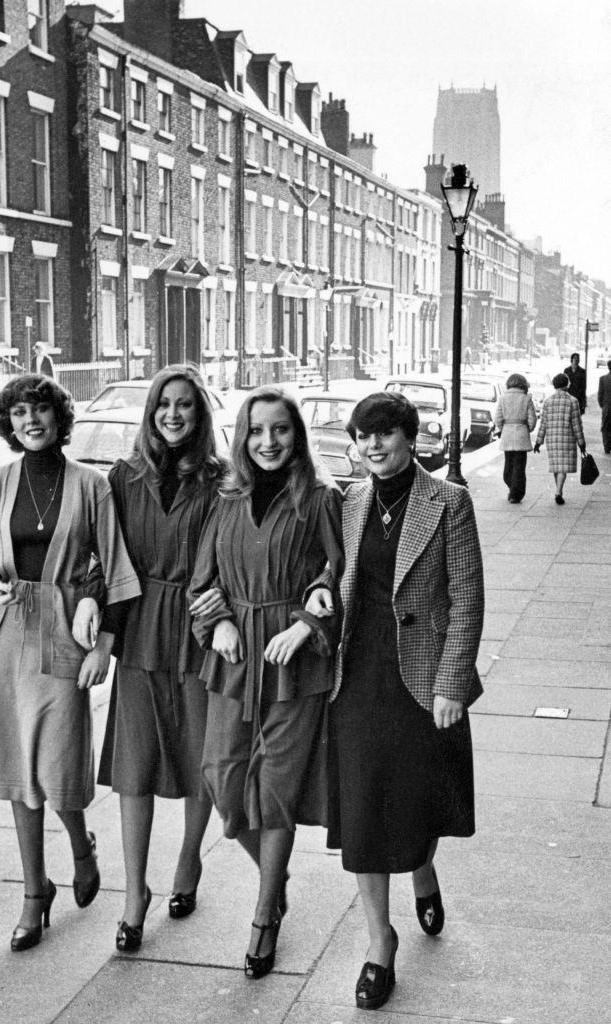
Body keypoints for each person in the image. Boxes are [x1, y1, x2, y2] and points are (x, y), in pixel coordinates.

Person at [306, 391, 483, 1011]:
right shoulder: (350, 500)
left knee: (410, 800)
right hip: (356, 670)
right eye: (363, 437)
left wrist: (450, 685)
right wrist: (322, 593)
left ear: (410, 437)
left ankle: (422, 868)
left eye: (385, 434)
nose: (373, 446)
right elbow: (332, 572)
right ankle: (380, 941)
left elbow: (466, 600)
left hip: (420, 672)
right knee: (361, 806)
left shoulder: (449, 501)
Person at [0, 374, 140, 952]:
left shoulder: (91, 485)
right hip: (4, 633)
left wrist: (105, 644)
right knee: (17, 771)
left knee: (58, 768)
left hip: (63, 628)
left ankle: (80, 845)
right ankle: (35, 892)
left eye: (40, 410)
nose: (30, 421)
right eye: (18, 413)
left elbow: (114, 568)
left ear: (60, 419)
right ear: (7, 424)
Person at [188, 386, 343, 980]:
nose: (268, 442)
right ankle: (273, 879)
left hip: (293, 663)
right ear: (242, 437)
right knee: (223, 779)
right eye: (256, 431)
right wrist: (219, 620)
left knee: (275, 788)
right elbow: (201, 579)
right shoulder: (227, 499)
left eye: (279, 430)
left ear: (296, 435)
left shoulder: (320, 498)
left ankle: (263, 918)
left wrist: (308, 622)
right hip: (234, 656)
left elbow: (339, 573)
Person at [98, 365, 225, 952]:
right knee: (135, 766)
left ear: (200, 415)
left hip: (200, 629)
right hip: (139, 624)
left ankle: (188, 860)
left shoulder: (223, 481)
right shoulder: (123, 477)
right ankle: (132, 895)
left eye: (184, 406)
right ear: (150, 414)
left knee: (202, 755)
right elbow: (95, 552)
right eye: (162, 405)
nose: (172, 414)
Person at [534, 372, 586, 505]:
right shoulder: (573, 401)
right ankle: (558, 492)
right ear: (567, 385)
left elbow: (543, 424)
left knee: (556, 466)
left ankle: (559, 490)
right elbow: (576, 424)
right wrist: (581, 443)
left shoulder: (548, 402)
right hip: (567, 439)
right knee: (563, 467)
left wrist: (538, 442)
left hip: (552, 439)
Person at [492, 372, 537, 503]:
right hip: (522, 433)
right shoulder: (526, 398)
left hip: (507, 433)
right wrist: (527, 429)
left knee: (508, 464)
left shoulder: (502, 398)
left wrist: (503, 428)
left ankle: (512, 488)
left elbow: (497, 419)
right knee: (520, 466)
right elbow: (532, 419)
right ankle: (516, 493)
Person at [597, 359, 611, 454]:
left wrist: (603, 406)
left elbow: (599, 395)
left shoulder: (603, 379)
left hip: (607, 408)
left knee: (605, 427)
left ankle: (607, 446)